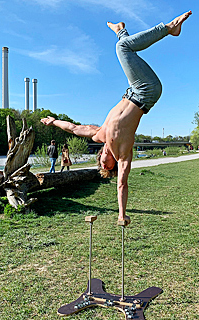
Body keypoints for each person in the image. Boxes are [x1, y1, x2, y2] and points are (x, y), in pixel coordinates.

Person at [41, 11, 192, 225]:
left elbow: (74, 128)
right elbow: (122, 184)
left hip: (134, 90)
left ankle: (122, 30)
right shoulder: (123, 155)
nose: (102, 158)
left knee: (124, 48)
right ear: (112, 164)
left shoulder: (99, 134)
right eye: (104, 163)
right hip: (146, 93)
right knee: (123, 49)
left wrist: (53, 121)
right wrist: (122, 214)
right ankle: (168, 28)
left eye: (100, 160)